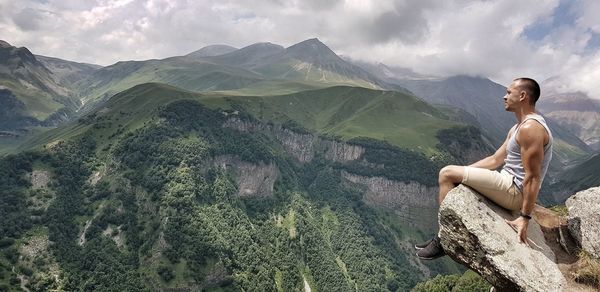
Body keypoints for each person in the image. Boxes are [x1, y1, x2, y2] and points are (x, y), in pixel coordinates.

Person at [416, 77, 553, 260]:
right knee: (452, 174)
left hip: (514, 191)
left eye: (508, 92)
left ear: (522, 96)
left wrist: (525, 217)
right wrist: (463, 172)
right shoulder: (518, 127)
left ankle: (444, 239)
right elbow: (495, 159)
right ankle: (443, 235)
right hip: (507, 182)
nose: (504, 97)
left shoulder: (531, 129)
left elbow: (532, 177)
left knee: (445, 173)